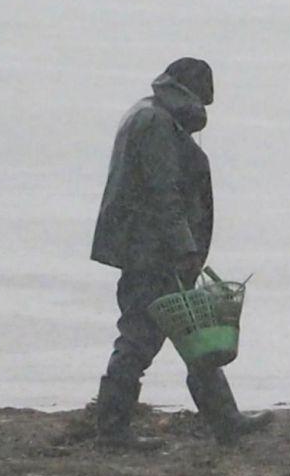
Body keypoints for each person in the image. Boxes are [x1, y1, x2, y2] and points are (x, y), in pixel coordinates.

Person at [89, 57, 272, 450]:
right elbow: (163, 192)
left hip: (150, 248)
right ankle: (112, 430)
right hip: (151, 254)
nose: (202, 112)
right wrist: (184, 247)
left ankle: (226, 420)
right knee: (139, 338)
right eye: (203, 102)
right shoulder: (156, 123)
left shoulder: (148, 114)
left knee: (195, 334)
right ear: (191, 93)